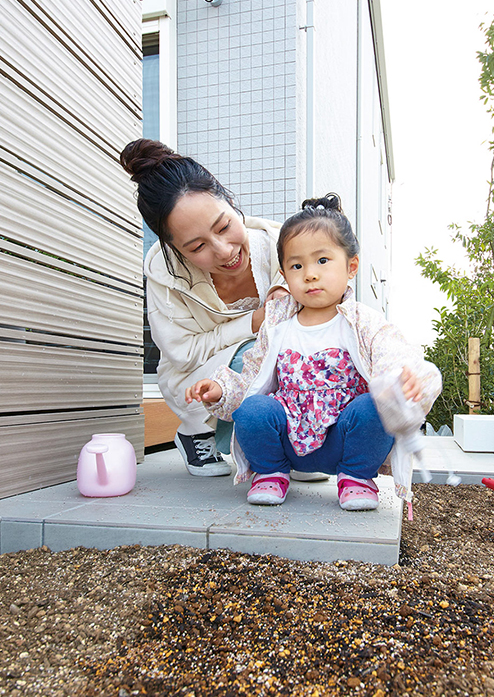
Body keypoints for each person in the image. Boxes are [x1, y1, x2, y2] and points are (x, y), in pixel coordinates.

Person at [185, 194, 442, 510]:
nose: (309, 274)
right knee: (252, 410)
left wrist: (403, 379)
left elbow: (395, 353)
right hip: (288, 438)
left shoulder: (363, 321)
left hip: (344, 438)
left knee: (374, 407)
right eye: (296, 265)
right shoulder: (278, 324)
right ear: (285, 273)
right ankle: (270, 472)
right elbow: (251, 377)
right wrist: (221, 390)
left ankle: (357, 477)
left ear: (351, 267)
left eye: (322, 261)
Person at [120, 138, 288, 477]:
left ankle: (290, 441)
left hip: (267, 363)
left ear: (228, 200)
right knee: (254, 353)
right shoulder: (165, 274)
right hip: (194, 375)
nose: (225, 251)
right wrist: (255, 321)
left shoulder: (282, 245)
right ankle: (198, 431)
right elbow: (182, 353)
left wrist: (288, 287)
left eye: (224, 226)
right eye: (197, 246)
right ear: (174, 248)